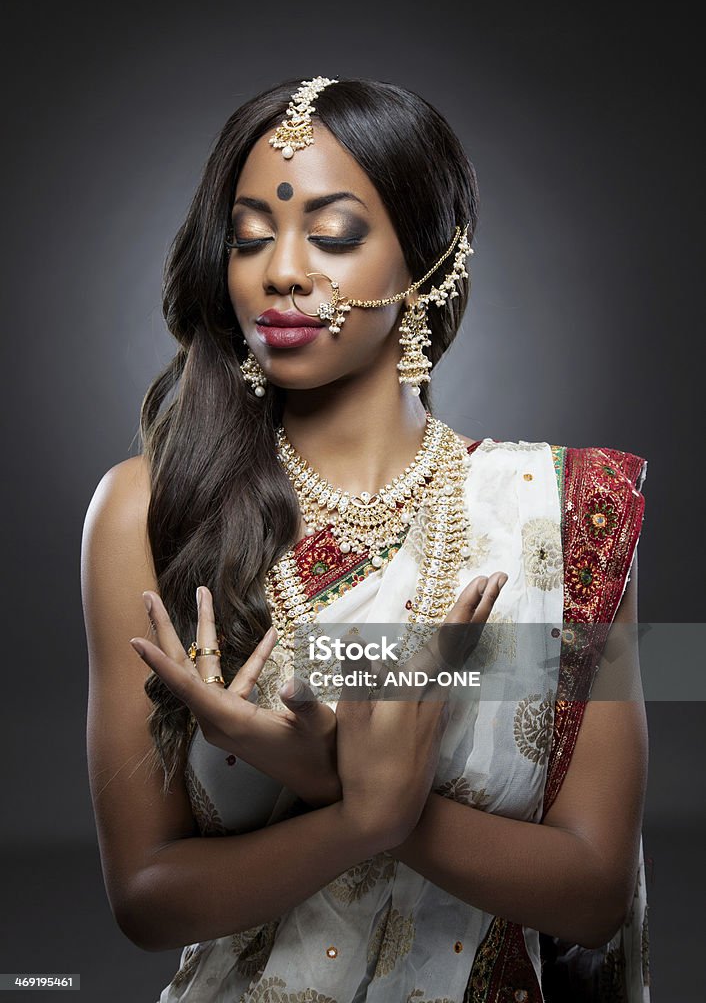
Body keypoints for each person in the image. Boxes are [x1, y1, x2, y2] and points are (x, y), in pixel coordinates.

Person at [81, 76, 650, 1003]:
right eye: (250, 236)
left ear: (430, 260)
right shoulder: (147, 511)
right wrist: (358, 816)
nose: (282, 271)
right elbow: (146, 897)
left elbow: (593, 895)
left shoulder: (567, 512)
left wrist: (342, 784)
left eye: (334, 234)